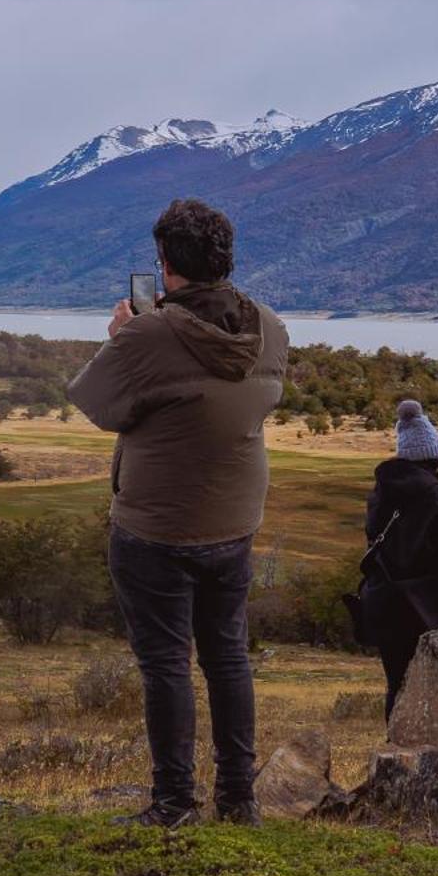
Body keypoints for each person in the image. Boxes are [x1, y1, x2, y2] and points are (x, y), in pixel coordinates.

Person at [66, 198, 288, 828]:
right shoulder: (270, 326)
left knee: (165, 662)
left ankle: (173, 804)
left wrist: (122, 338)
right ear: (226, 258)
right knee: (227, 656)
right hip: (236, 518)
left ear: (164, 264)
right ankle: (239, 800)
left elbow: (98, 403)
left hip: (156, 525)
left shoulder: (148, 331)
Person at [361, 400, 438, 716]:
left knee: (399, 687)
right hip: (432, 612)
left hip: (385, 605)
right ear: (434, 456)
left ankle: (396, 757)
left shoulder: (381, 495)